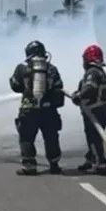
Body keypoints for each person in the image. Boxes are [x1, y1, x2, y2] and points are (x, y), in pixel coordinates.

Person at [9, 40, 65, 176]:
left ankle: (29, 167)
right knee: (51, 137)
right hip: (49, 111)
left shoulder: (21, 67)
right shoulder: (52, 69)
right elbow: (59, 87)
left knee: (27, 138)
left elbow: (15, 86)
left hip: (28, 110)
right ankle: (54, 164)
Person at [71, 44, 106, 175]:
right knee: (94, 136)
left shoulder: (92, 72)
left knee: (94, 137)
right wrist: (77, 92)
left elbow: (90, 88)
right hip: (101, 109)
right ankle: (90, 159)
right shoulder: (100, 72)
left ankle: (100, 164)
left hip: (94, 111)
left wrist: (79, 96)